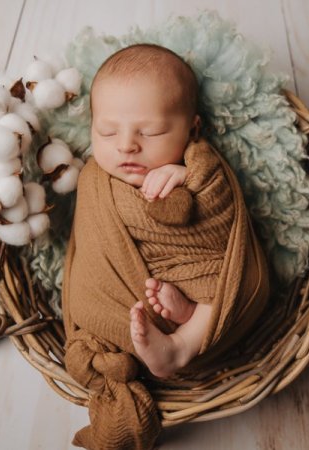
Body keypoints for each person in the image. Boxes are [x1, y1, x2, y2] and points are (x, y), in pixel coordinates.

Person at [88, 43, 227, 378]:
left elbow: (224, 215)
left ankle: (181, 345)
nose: (125, 145)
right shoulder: (93, 181)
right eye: (107, 132)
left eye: (149, 132)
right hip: (121, 293)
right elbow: (87, 246)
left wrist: (189, 176)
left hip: (196, 269)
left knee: (225, 287)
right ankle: (175, 317)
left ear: (192, 130)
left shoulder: (195, 165)